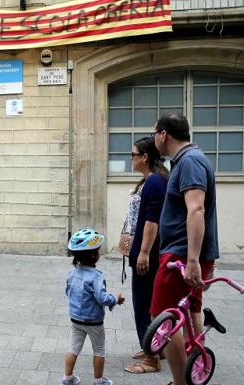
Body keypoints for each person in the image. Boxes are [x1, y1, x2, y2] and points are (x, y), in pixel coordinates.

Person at [151, 112, 219, 385]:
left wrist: (192, 260)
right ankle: (194, 374)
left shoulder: (189, 162)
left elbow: (196, 208)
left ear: (163, 134)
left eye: (155, 133)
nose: (154, 137)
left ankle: (180, 382)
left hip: (181, 254)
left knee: (163, 315)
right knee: (190, 312)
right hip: (187, 253)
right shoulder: (189, 160)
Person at [124, 137, 169, 374]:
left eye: (133, 154)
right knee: (149, 302)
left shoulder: (154, 182)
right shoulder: (152, 180)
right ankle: (154, 346)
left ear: (145, 157)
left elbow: (153, 221)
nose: (130, 158)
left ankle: (152, 359)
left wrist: (143, 252)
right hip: (145, 251)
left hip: (148, 254)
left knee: (144, 304)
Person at [62, 228, 125, 385]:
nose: (98, 253)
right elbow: (101, 298)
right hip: (93, 321)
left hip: (76, 318)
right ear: (92, 255)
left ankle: (68, 378)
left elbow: (68, 291)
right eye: (97, 251)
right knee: (99, 350)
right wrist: (115, 299)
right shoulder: (96, 276)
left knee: (73, 348)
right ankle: (98, 381)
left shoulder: (72, 273)